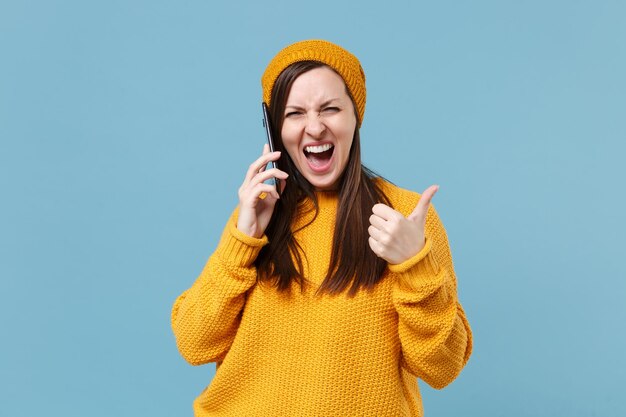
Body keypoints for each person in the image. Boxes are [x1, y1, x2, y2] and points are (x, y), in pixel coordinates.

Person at [171, 39, 473, 417]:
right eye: (295, 113)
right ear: (275, 128)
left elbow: (441, 368)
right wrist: (242, 239)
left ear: (354, 117)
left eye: (330, 109)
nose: (314, 128)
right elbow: (194, 342)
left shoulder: (406, 217)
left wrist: (415, 265)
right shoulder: (261, 213)